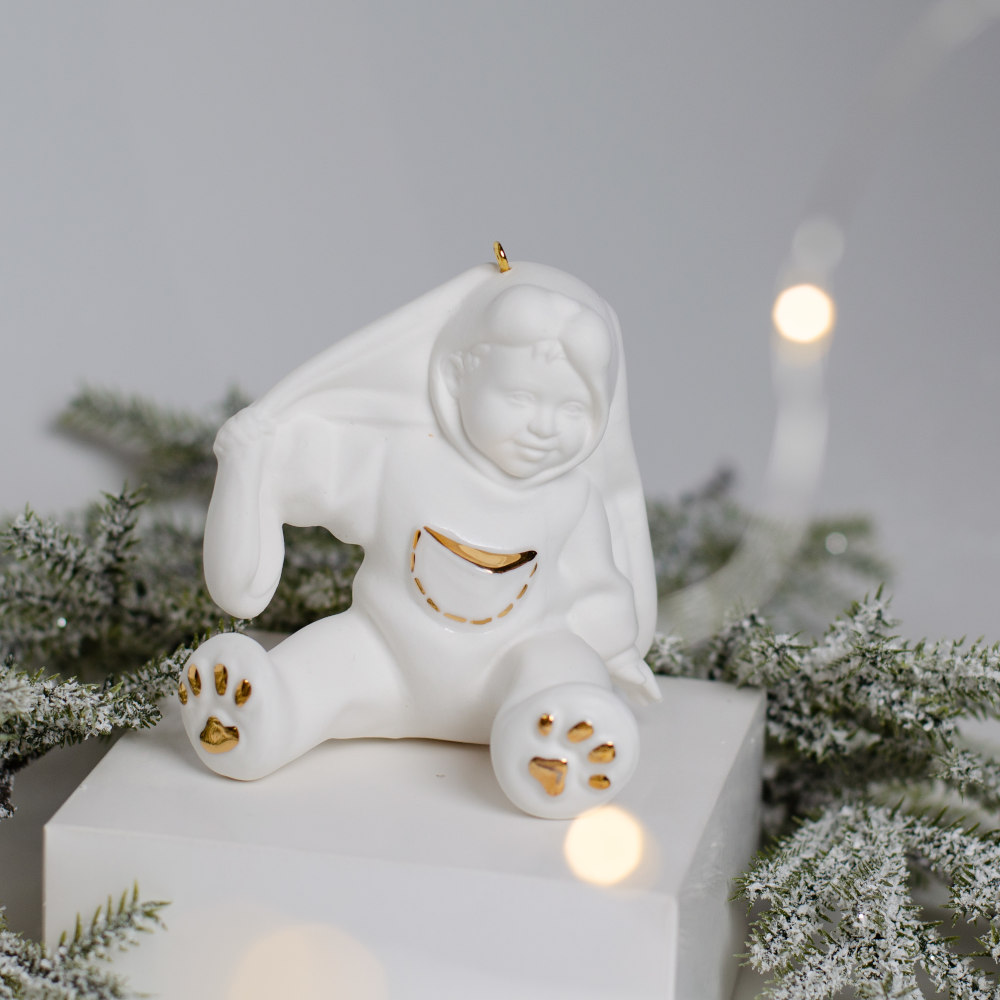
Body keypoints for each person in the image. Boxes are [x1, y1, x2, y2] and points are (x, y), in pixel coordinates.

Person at [179, 260, 657, 819]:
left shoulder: (571, 498)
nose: (544, 427)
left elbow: (596, 588)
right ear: (457, 377)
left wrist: (614, 651)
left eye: (572, 408)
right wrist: (248, 461)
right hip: (387, 655)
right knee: (329, 659)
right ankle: (262, 717)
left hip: (511, 669)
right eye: (520, 399)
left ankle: (553, 734)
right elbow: (297, 479)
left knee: (561, 659)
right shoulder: (398, 460)